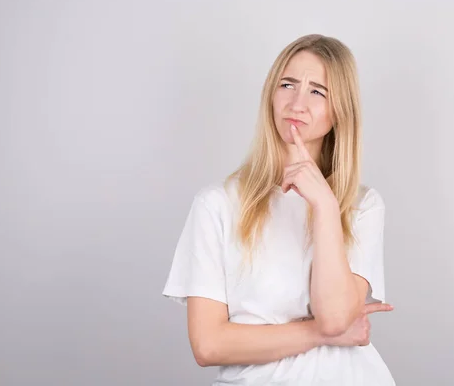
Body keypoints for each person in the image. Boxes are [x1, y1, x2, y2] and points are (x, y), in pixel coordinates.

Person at [163, 34, 396, 385]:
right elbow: (208, 346)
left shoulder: (362, 206)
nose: (297, 103)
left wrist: (325, 207)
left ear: (340, 110)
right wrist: (319, 335)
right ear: (271, 94)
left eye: (318, 91)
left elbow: (333, 315)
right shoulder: (217, 205)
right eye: (287, 84)